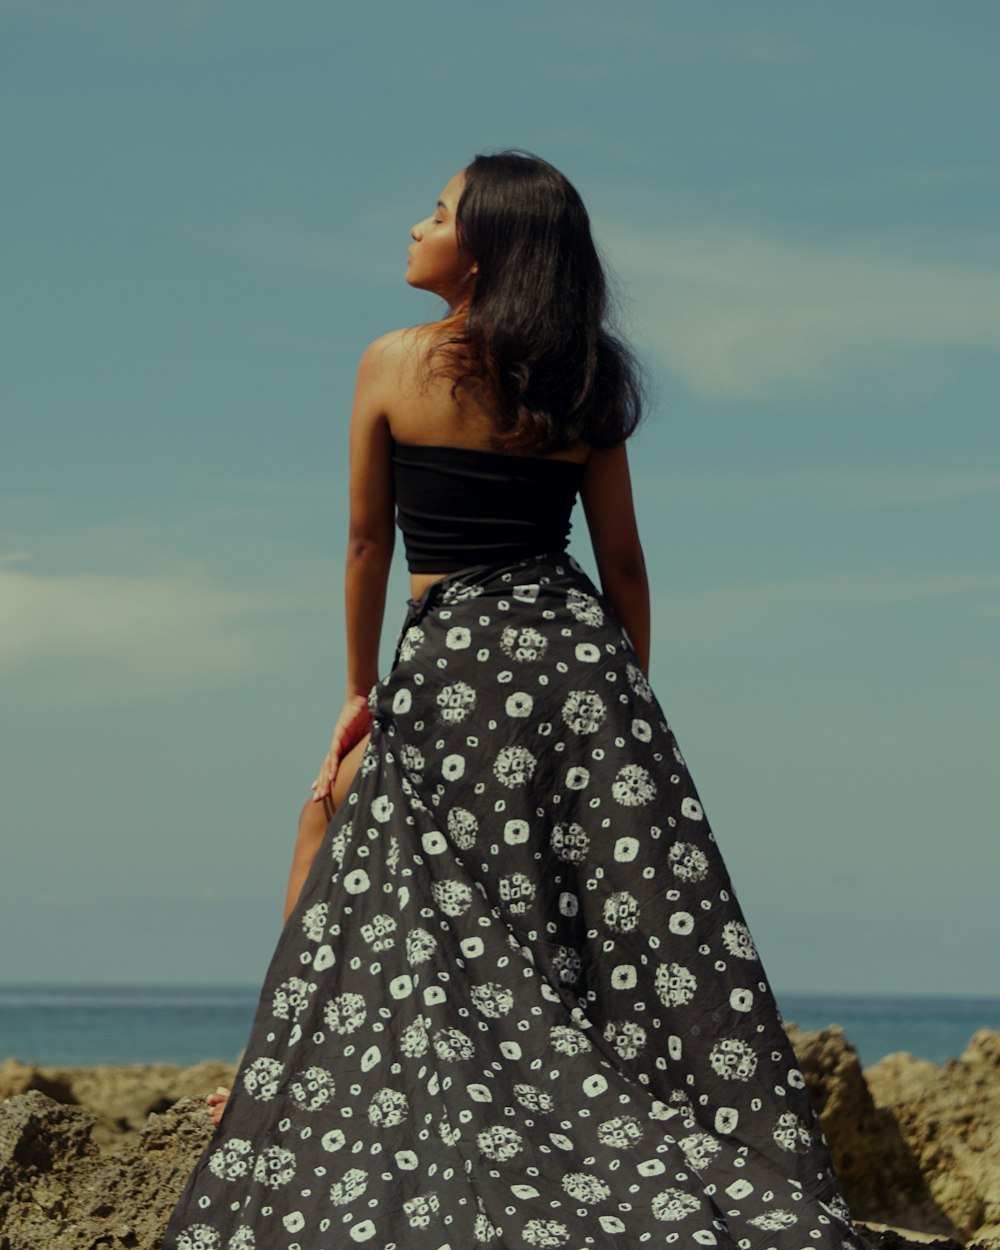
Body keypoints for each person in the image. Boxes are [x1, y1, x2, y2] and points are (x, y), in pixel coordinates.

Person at [163, 150, 872, 1250]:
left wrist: (360, 686)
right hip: (574, 657)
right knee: (584, 912)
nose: (414, 224)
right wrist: (622, 706)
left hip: (452, 658)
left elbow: (365, 542)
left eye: (435, 211)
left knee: (422, 899)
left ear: (481, 248)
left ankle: (378, 1106)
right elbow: (625, 563)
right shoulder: (584, 379)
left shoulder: (393, 364)